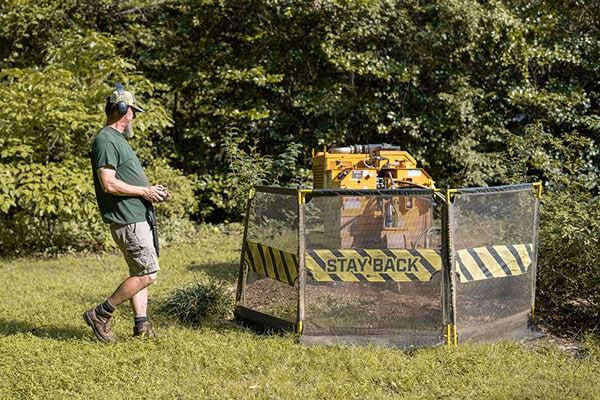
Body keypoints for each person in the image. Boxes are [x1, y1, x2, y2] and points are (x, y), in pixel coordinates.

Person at [84, 82, 169, 343]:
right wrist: (144, 192)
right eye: (133, 111)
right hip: (128, 218)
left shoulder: (117, 140)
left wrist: (150, 191)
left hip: (136, 216)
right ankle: (101, 313)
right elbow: (108, 183)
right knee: (147, 274)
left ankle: (141, 325)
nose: (134, 117)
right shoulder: (106, 140)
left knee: (139, 272)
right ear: (123, 110)